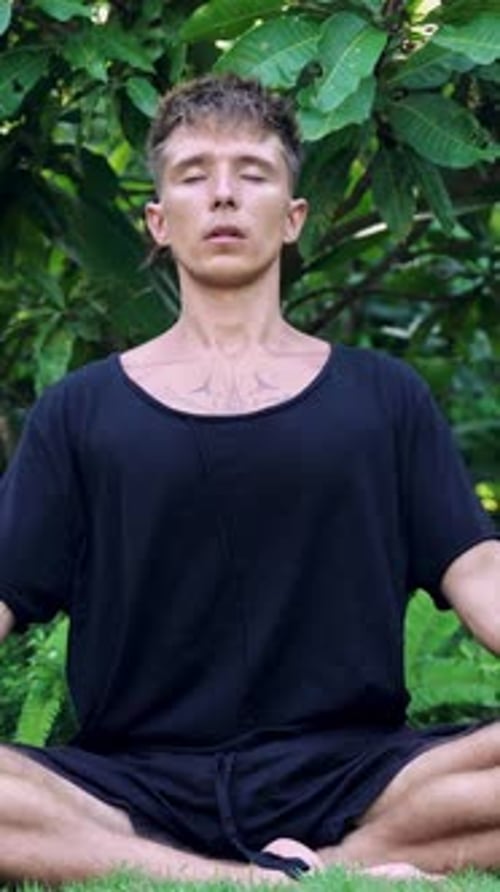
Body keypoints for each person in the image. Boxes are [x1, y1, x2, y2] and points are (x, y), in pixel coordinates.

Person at [0, 72, 498, 886]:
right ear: (158, 221)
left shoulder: (384, 396)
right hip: (130, 781)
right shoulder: (78, 411)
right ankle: (263, 879)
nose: (224, 195)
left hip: (358, 777)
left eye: (253, 174)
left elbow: (477, 568)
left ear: (293, 217)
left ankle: (333, 863)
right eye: (194, 175)